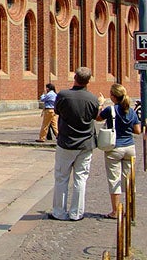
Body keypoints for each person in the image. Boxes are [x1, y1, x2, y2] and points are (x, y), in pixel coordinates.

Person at [50, 67, 99, 221]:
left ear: (75, 77)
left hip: (66, 142)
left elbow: (57, 111)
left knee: (61, 178)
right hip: (85, 144)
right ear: (89, 81)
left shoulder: (63, 95)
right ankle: (77, 213)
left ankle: (59, 212)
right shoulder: (93, 99)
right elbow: (95, 116)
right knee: (81, 178)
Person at [97, 83, 141, 218]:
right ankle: (131, 210)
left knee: (114, 180)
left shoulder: (110, 110)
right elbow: (138, 131)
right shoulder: (131, 111)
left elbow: (98, 118)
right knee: (129, 180)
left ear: (113, 96)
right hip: (130, 148)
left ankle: (115, 211)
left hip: (114, 148)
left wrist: (101, 104)